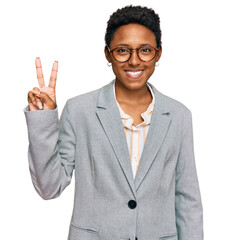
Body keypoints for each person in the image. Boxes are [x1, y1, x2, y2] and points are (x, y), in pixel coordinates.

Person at [23, 5, 203, 240]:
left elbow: (187, 199)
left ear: (158, 54)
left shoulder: (179, 116)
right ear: (108, 54)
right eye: (122, 50)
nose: (134, 61)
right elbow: (49, 187)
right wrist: (43, 119)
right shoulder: (80, 110)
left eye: (145, 50)